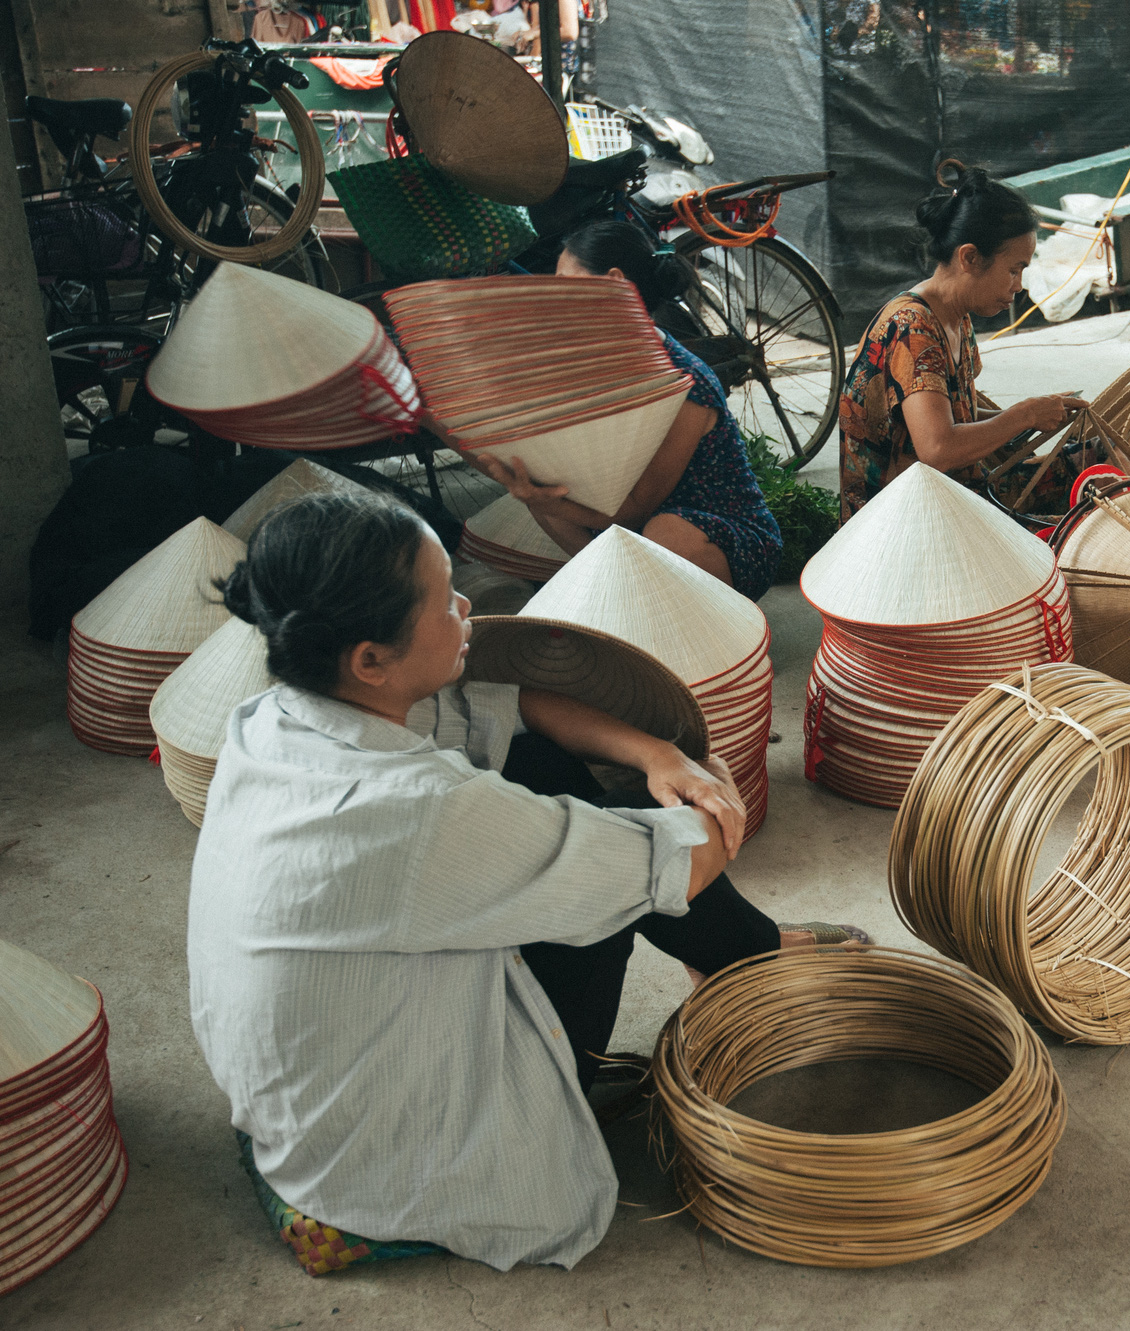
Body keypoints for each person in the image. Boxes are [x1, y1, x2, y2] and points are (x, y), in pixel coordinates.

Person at [188, 493, 863, 1271]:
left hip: (301, 1110)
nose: (466, 604)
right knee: (617, 875)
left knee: (545, 770)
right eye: (444, 601)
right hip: (385, 1159)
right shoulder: (417, 813)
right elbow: (675, 860)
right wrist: (718, 785)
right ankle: (745, 953)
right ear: (369, 658)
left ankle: (743, 949)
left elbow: (506, 709)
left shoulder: (275, 719)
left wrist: (658, 754)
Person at [471, 222, 782, 600]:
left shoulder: (686, 383)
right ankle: (623, 589)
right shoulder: (585, 365)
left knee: (662, 531)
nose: (554, 296)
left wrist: (548, 501)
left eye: (565, 282)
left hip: (717, 537)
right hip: (631, 527)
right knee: (541, 484)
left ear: (614, 282)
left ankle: (650, 596)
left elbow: (636, 510)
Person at [836, 158, 1079, 519]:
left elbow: (952, 417)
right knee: (1072, 530)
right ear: (969, 257)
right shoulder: (912, 329)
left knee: (1088, 460)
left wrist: (1031, 417)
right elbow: (938, 447)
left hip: (951, 496)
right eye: (1014, 270)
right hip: (904, 523)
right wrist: (1023, 414)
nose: (1018, 286)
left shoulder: (957, 318)